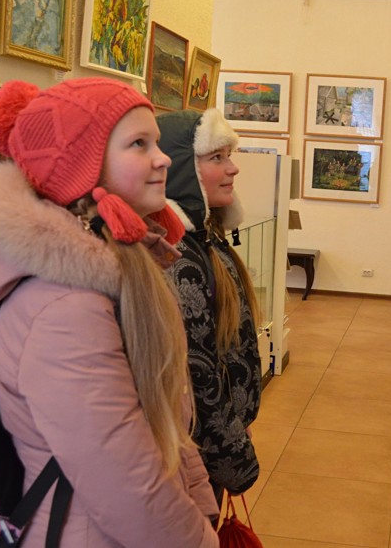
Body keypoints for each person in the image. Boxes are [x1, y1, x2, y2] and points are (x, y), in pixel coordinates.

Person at [0, 77, 220, 547]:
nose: (163, 158)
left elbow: (161, 427)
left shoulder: (116, 277)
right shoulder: (66, 309)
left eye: (157, 142)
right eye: (139, 144)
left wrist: (202, 505)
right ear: (83, 165)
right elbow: (126, 484)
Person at [157, 109, 261, 508]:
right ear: (183, 168)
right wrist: (236, 460)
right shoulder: (178, 257)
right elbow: (199, 376)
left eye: (228, 156)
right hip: (196, 456)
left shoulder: (205, 242)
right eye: (217, 157)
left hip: (212, 451)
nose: (233, 168)